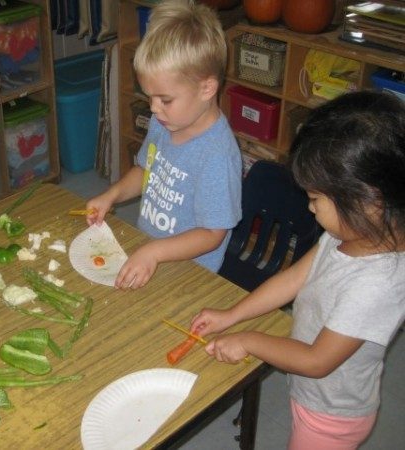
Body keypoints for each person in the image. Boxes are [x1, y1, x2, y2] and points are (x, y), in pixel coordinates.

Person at [190, 90, 405, 450]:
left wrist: (249, 340)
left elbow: (317, 360)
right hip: (312, 391)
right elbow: (293, 278)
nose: (309, 208)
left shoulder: (378, 284)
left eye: (316, 199)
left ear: (370, 200)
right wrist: (232, 316)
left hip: (330, 416)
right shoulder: (351, 231)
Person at [86, 0, 241, 289]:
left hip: (190, 275)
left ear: (207, 88)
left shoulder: (217, 155)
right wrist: (113, 195)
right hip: (153, 253)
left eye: (165, 99)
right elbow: (146, 170)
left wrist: (154, 253)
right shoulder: (166, 121)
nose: (154, 108)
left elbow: (212, 234)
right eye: (150, 97)